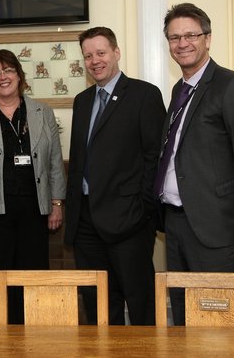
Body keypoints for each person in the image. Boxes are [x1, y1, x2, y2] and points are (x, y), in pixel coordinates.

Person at [157, 3, 234, 325]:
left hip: (217, 226)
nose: (182, 43)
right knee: (185, 312)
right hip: (176, 223)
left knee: (225, 313)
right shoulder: (180, 90)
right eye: (174, 37)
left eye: (191, 34)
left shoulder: (231, 86)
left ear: (208, 38)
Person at [0, 49, 66, 323]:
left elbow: (54, 161)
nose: (3, 77)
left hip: (34, 209)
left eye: (8, 70)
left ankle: (33, 334)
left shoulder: (43, 112)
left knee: (32, 277)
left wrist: (56, 203)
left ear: (19, 75)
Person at [65, 26, 166, 325]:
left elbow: (155, 158)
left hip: (129, 221)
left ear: (116, 52)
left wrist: (143, 209)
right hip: (86, 223)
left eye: (100, 53)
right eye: (88, 56)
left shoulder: (144, 95)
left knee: (140, 301)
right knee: (99, 304)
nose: (94, 61)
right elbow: (81, 159)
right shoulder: (82, 101)